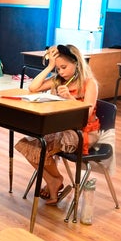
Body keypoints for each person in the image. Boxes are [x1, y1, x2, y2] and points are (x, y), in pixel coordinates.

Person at [15, 44, 100, 204]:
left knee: (41, 145)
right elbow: (33, 88)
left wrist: (70, 98)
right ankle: (54, 180)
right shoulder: (58, 80)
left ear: (77, 63)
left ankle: (53, 183)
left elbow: (86, 115)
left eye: (64, 67)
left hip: (83, 132)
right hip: (61, 128)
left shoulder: (89, 83)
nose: (61, 72)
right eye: (58, 68)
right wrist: (50, 67)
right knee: (27, 145)